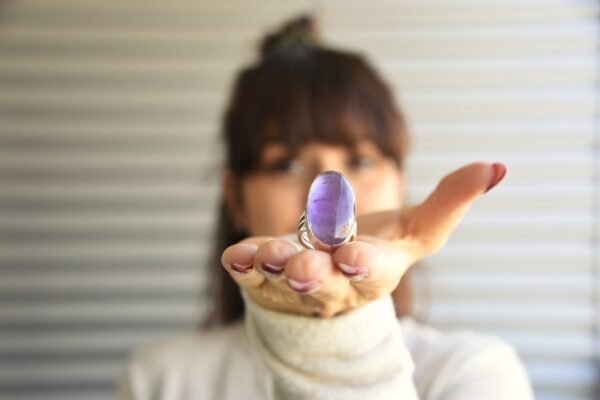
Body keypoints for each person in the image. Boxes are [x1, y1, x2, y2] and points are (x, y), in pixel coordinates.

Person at [115, 15, 534, 400]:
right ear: (235, 197)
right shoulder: (161, 380)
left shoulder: (470, 370)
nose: (329, 186)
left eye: (361, 159)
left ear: (400, 184)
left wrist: (345, 340)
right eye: (287, 164)